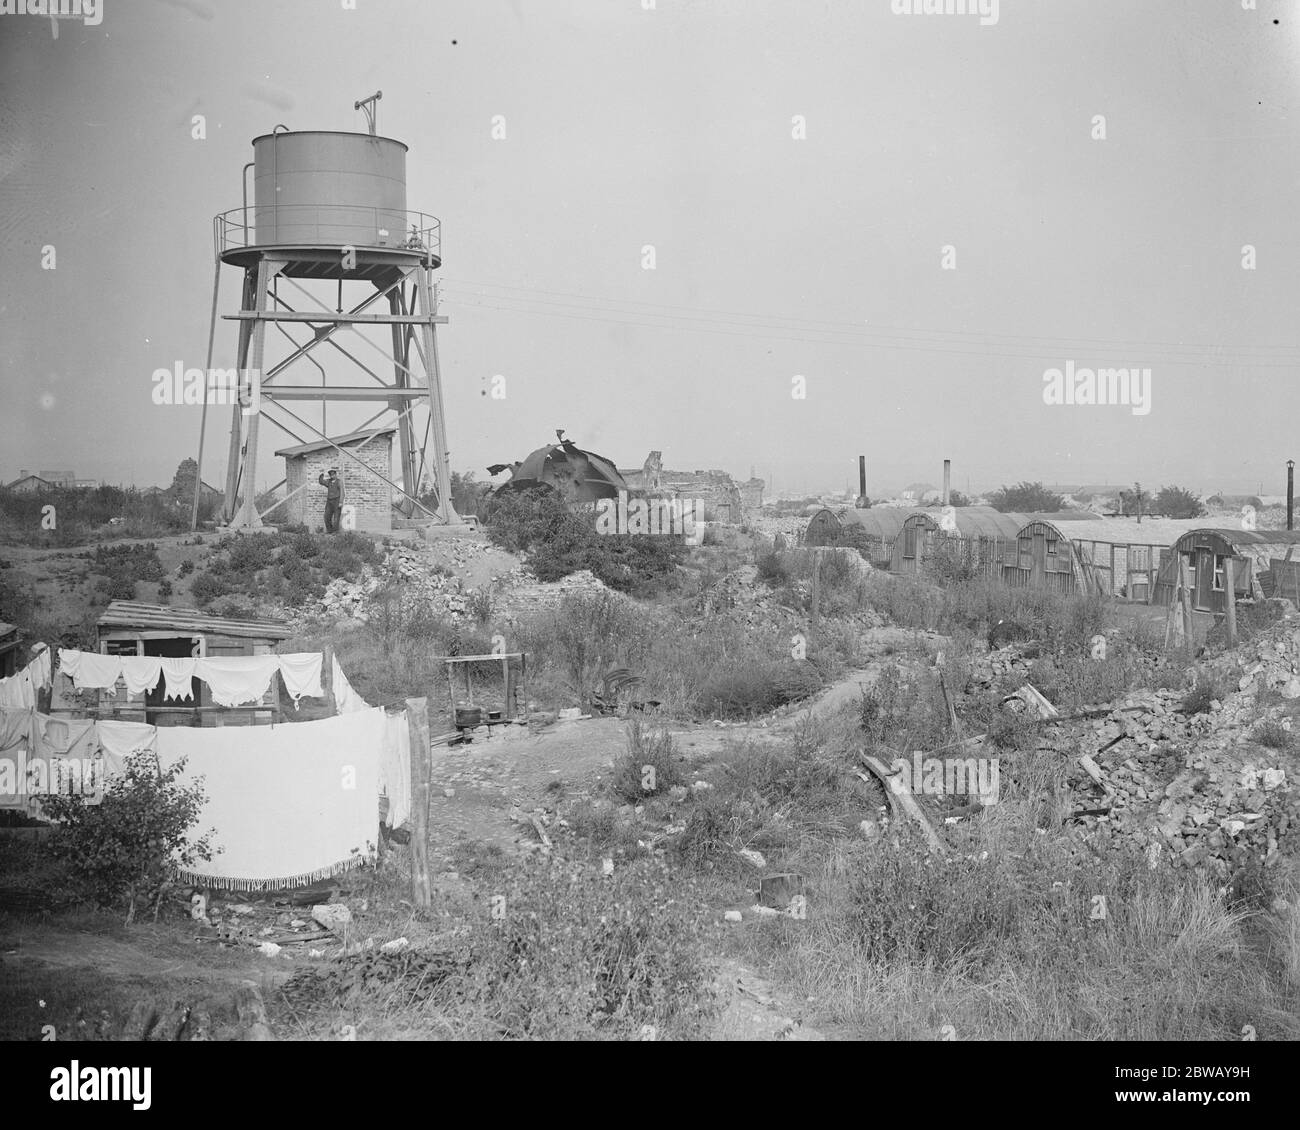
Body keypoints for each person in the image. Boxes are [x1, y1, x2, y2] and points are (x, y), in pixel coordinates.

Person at [319, 468, 343, 533]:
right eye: (331, 475)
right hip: (329, 501)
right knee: (326, 516)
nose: (332, 476)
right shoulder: (329, 482)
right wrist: (321, 474)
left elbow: (342, 492)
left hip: (337, 501)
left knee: (336, 518)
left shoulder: (339, 482)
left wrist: (340, 502)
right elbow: (321, 482)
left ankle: (335, 532)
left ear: (335, 475)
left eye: (333, 475)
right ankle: (329, 531)